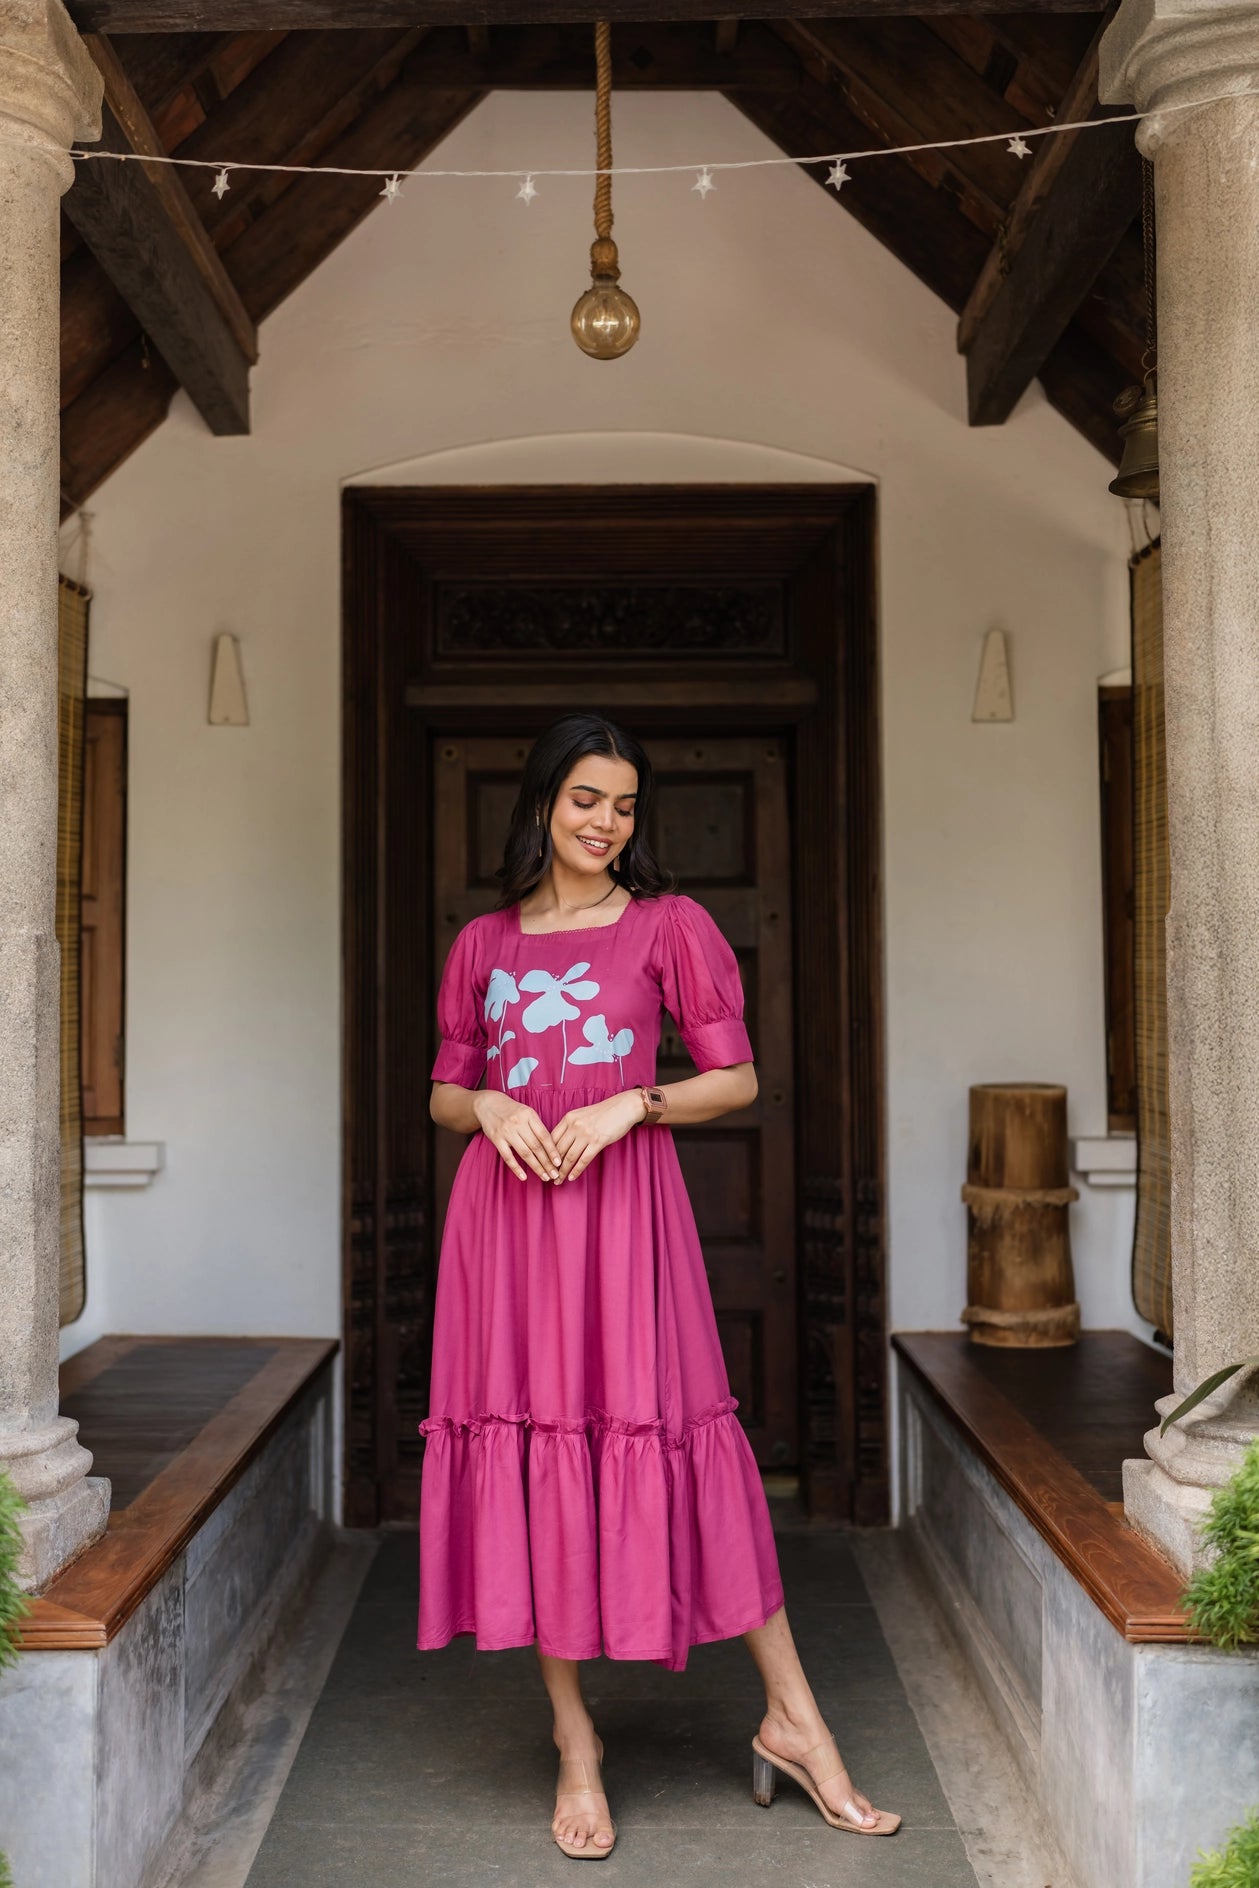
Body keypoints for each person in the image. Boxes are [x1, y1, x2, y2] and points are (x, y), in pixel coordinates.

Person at [420, 712, 900, 1859]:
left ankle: (795, 1718)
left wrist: (626, 1103)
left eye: (625, 804)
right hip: (509, 1228)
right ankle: (574, 1739)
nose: (605, 822)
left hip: (625, 1221)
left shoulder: (667, 927)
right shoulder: (482, 945)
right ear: (540, 803)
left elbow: (732, 1077)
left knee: (680, 1438)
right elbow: (443, 1092)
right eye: (586, 798)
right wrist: (483, 1105)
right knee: (543, 1448)